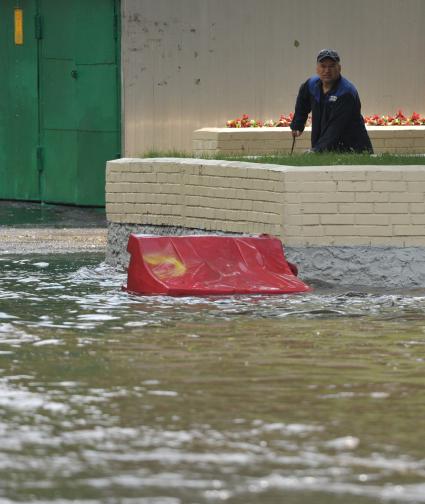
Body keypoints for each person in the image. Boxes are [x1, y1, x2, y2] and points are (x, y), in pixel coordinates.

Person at [290, 49, 373, 153]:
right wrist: (298, 124)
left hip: (353, 150)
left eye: (332, 66)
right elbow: (302, 102)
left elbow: (335, 129)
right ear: (317, 69)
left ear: (339, 68)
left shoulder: (346, 92)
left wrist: (316, 151)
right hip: (325, 148)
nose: (327, 70)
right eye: (323, 66)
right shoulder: (311, 85)